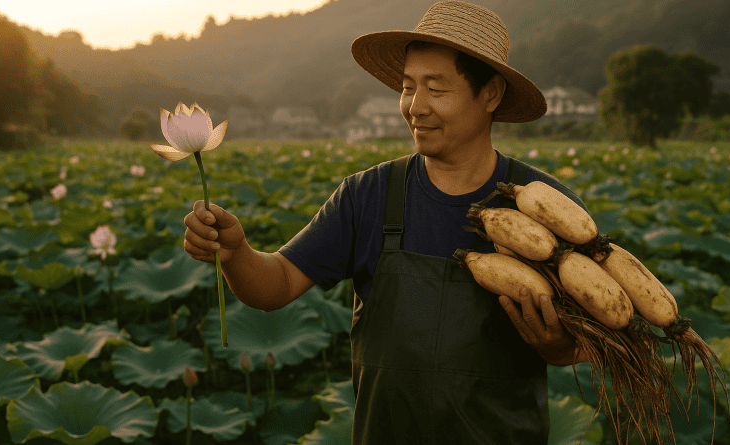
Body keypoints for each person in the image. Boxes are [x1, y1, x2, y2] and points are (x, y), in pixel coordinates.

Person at [183, 1, 589, 443]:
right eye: (407, 87)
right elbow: (275, 284)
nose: (416, 107)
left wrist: (555, 346)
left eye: (436, 88)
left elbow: (587, 339)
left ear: (490, 94)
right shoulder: (368, 195)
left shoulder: (548, 208)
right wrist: (236, 252)